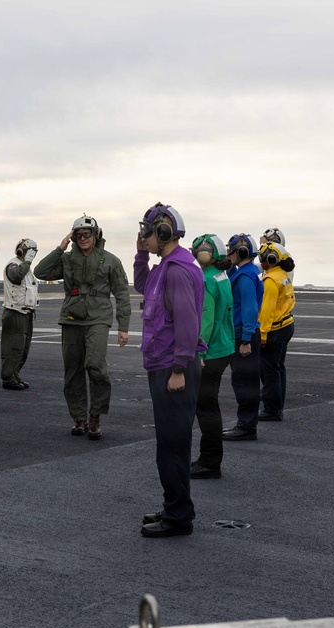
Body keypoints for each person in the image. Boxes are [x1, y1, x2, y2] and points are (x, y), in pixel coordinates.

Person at [133, 203, 205, 538]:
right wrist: (140, 256)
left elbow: (188, 324)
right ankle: (174, 506)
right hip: (164, 364)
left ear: (162, 233)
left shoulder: (177, 270)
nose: (143, 237)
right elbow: (142, 288)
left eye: (147, 232)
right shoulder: (166, 265)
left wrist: (179, 368)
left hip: (172, 368)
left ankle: (178, 517)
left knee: (173, 445)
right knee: (169, 443)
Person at [34, 215, 130, 440]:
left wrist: (123, 326)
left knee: (96, 366)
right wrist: (60, 248)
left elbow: (123, 294)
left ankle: (95, 415)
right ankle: (79, 419)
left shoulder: (111, 261)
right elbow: (40, 272)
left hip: (98, 318)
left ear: (96, 235)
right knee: (72, 370)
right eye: (78, 235)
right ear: (73, 237)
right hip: (71, 317)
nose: (83, 238)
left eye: (87, 234)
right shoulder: (66, 260)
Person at [188, 234, 234, 480]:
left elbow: (205, 321)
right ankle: (210, 460)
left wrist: (200, 351)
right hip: (225, 347)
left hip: (212, 351)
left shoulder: (206, 280)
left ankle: (209, 462)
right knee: (210, 406)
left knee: (205, 408)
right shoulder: (222, 276)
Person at [223, 233, 263, 441]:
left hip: (243, 335)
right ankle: (245, 424)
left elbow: (249, 308)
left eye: (231, 252)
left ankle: (246, 427)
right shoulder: (246, 272)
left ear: (241, 252)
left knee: (244, 381)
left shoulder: (246, 277)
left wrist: (246, 339)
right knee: (244, 380)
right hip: (244, 333)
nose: (229, 255)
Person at [257, 242, 296, 420]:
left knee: (269, 371)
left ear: (270, 260)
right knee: (279, 368)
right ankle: (277, 406)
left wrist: (263, 334)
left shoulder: (271, 281)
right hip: (287, 325)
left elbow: (267, 310)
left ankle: (272, 410)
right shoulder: (283, 275)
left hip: (275, 329)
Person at [0, 239, 39, 390]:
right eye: (31, 251)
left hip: (25, 312)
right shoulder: (14, 265)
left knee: (23, 347)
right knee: (14, 347)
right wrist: (27, 261)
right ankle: (8, 377)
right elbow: (15, 276)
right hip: (15, 312)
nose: (32, 255)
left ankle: (14, 374)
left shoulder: (25, 268)